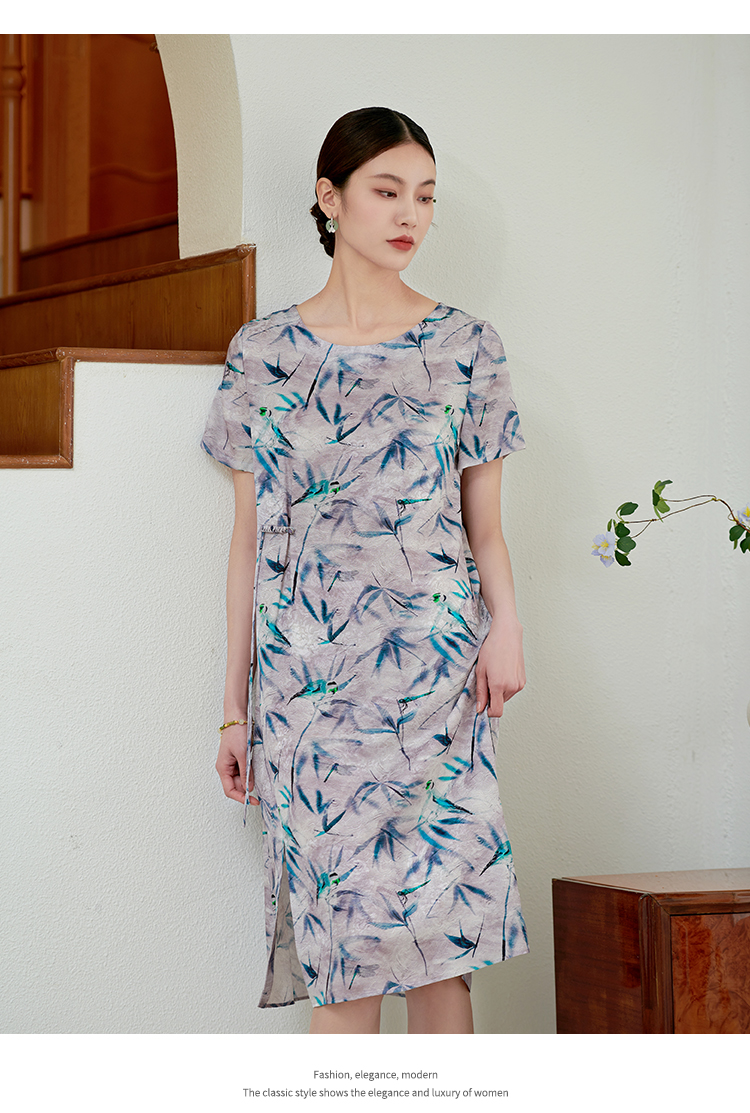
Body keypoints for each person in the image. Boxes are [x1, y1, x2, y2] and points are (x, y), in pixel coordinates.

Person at [201, 107, 529, 1035]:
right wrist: (233, 706)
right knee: (342, 968)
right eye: (387, 191)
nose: (409, 214)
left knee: (444, 960)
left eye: (424, 196)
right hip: (310, 701)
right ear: (329, 198)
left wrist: (507, 628)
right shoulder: (264, 354)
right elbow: (248, 542)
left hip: (437, 685)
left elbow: (486, 529)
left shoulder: (468, 347)